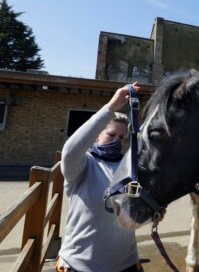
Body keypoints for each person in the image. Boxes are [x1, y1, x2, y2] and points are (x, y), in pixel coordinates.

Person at [56, 82, 144, 272]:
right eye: (111, 134)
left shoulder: (130, 168)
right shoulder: (83, 165)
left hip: (127, 264)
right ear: (96, 136)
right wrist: (111, 107)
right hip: (80, 265)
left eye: (121, 138)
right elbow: (69, 152)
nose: (116, 141)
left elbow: (136, 211)